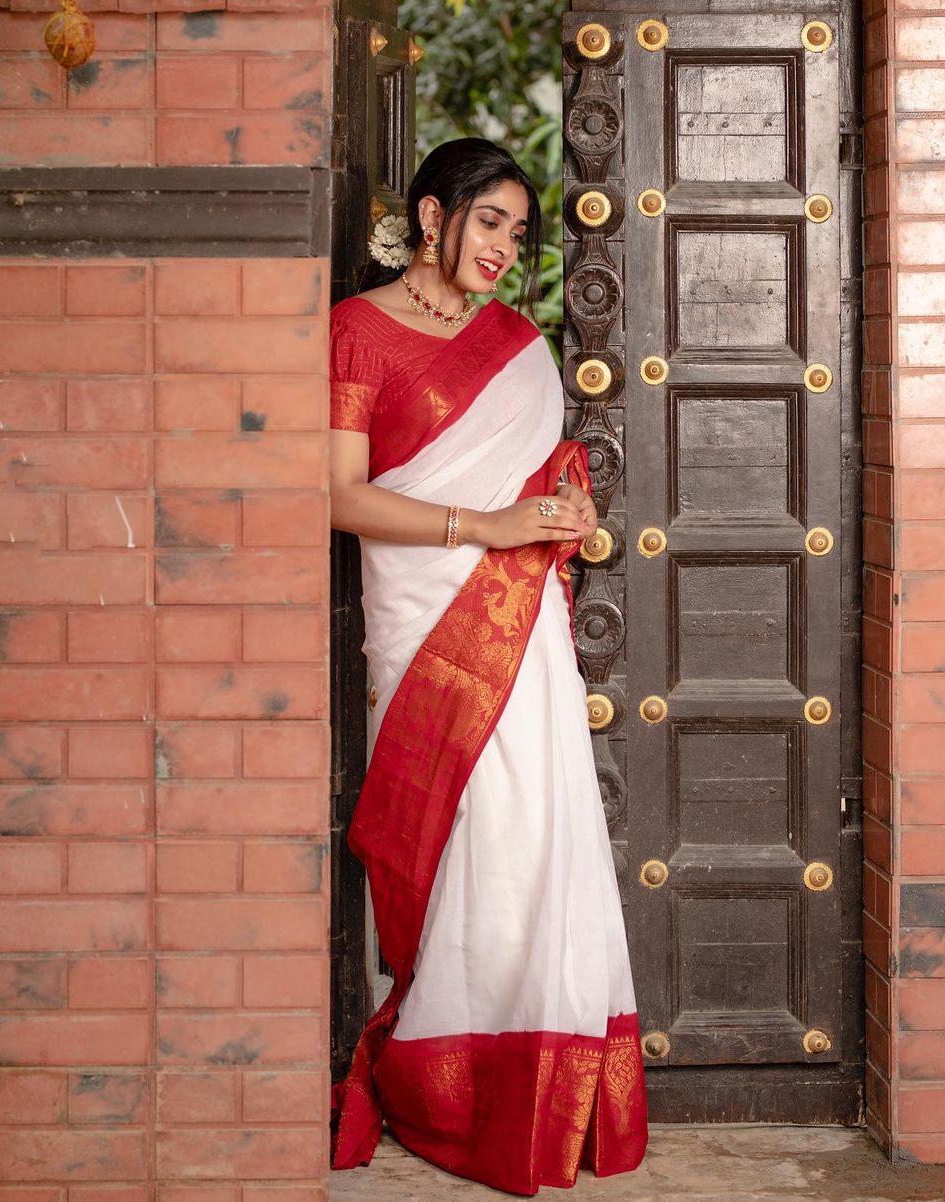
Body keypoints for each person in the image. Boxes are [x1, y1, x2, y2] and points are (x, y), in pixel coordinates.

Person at [329, 137, 648, 1196]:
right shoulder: (356, 333)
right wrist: (489, 519)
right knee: (457, 830)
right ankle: (448, 1076)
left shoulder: (517, 340)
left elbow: (539, 470)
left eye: (520, 229)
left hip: (521, 623)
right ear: (433, 216)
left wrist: (562, 501)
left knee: (533, 831)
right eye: (490, 222)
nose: (507, 246)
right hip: (423, 621)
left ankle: (541, 1072)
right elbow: (341, 495)